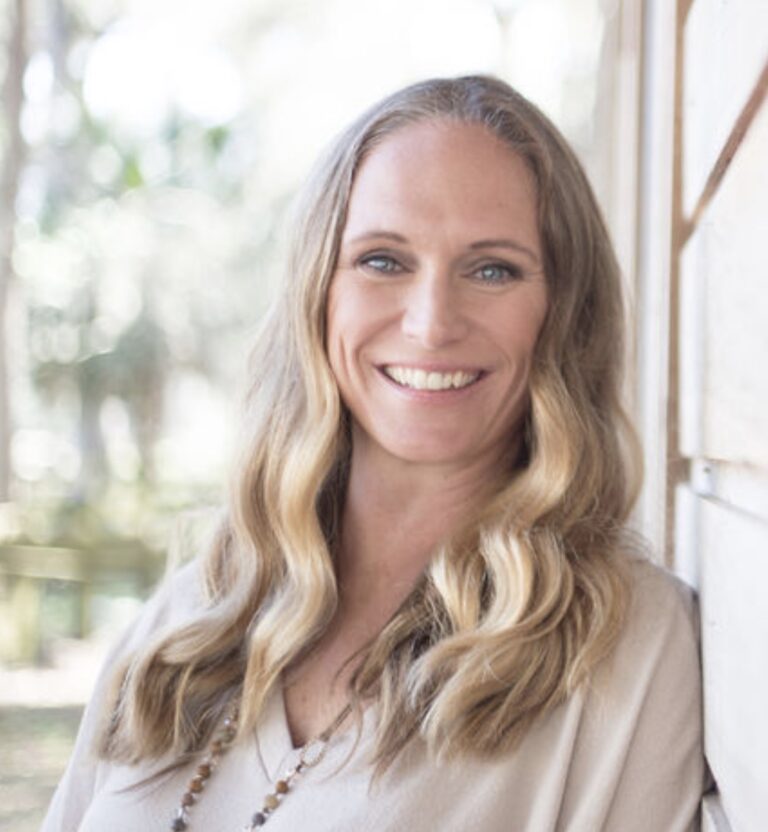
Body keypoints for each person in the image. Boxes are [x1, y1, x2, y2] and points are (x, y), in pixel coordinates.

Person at [42, 75, 705, 832]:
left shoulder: (624, 646)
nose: (430, 323)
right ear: (318, 292)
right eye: (384, 260)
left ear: (564, 313)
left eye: (493, 269)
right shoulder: (189, 616)